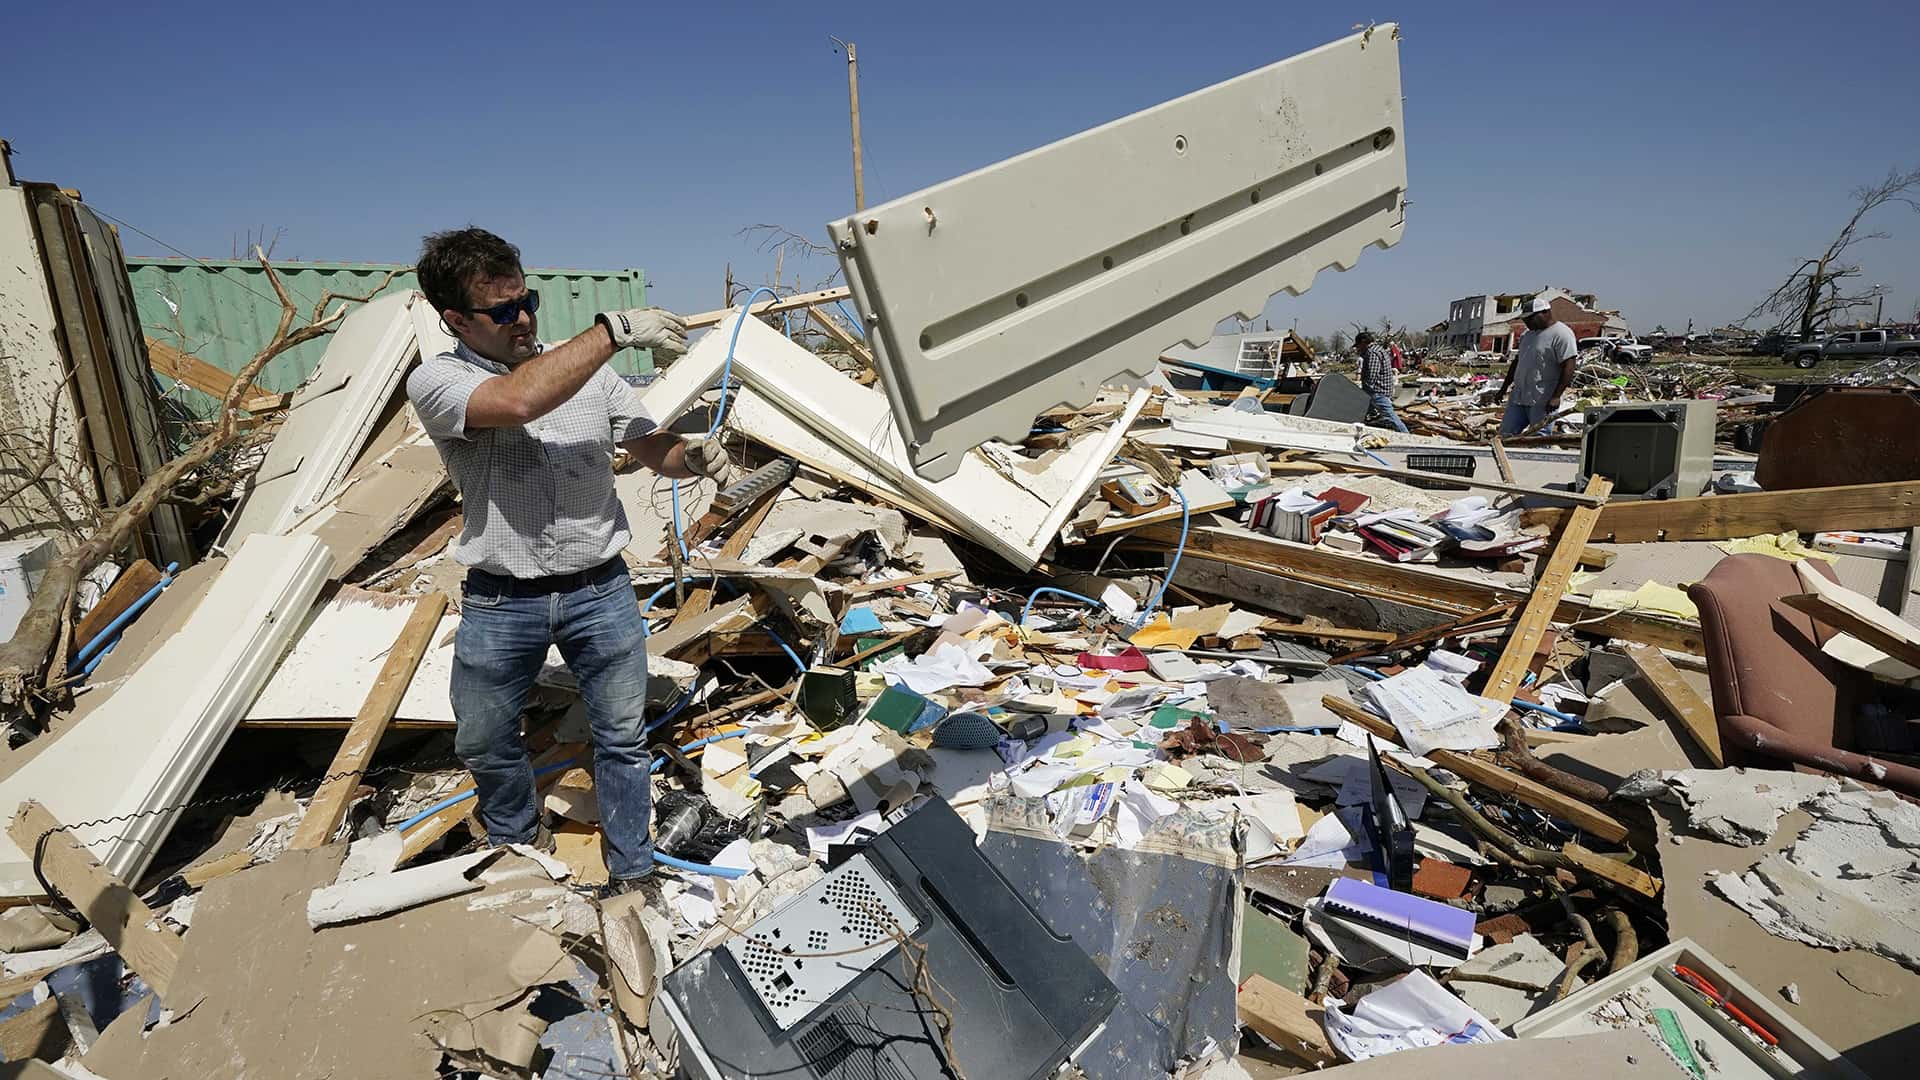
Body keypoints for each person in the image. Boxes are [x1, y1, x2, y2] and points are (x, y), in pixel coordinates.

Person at [406, 227, 730, 899]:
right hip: (503, 599)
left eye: (528, 301)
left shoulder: (593, 377)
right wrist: (612, 329)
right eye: (501, 311)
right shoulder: (439, 380)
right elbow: (522, 401)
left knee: (621, 738)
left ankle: (633, 872)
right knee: (486, 739)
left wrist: (690, 457)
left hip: (600, 591)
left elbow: (651, 449)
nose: (522, 318)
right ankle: (524, 849)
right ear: (457, 320)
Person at [1496, 297, 1579, 437]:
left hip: (1542, 400)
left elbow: (1569, 366)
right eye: (1525, 319)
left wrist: (1556, 396)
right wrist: (1503, 388)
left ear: (1545, 313)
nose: (1526, 322)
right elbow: (1517, 362)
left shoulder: (1561, 334)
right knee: (1506, 435)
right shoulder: (1527, 335)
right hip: (1519, 396)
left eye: (1530, 318)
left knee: (1539, 438)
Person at [1354, 330, 1407, 433]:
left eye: (1359, 345)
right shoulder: (1378, 349)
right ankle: (1357, 432)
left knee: (1391, 417)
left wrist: (1363, 390)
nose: (1358, 348)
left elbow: (1372, 375)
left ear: (1364, 342)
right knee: (1362, 412)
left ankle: (1407, 436)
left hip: (1377, 391)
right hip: (1379, 389)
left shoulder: (1372, 352)